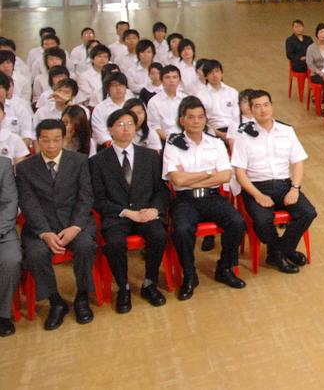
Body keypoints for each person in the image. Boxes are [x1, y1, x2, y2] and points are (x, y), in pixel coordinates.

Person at [16, 119, 98, 330]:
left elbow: (86, 197)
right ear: (37, 141)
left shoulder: (79, 161)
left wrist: (75, 227)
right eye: (45, 140)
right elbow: (28, 203)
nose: (51, 145)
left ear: (65, 139)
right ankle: (55, 301)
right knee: (35, 254)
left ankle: (82, 296)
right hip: (41, 227)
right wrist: (44, 232)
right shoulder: (25, 168)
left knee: (85, 246)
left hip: (75, 223)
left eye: (56, 140)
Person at [162, 97, 246, 300]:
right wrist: (209, 173)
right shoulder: (173, 144)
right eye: (191, 117)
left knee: (237, 222)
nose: (197, 121)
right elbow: (177, 181)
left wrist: (190, 178)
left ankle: (225, 268)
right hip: (185, 200)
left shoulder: (216, 143)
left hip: (213, 197)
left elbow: (225, 175)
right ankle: (189, 275)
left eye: (201, 117)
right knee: (182, 230)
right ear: (182, 120)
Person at [89, 108, 170, 313]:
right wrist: (126, 212)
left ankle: (149, 283)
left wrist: (155, 209)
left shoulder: (150, 156)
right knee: (114, 243)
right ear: (110, 130)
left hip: (146, 212)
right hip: (118, 215)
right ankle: (123, 287)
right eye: (120, 125)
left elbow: (161, 189)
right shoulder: (97, 161)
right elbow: (98, 199)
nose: (126, 129)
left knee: (159, 235)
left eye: (130, 124)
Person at [231, 90, 317, 274]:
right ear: (251, 110)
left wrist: (295, 188)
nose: (263, 110)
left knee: (308, 212)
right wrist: (257, 195)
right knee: (262, 221)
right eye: (257, 106)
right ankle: (284, 251)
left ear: (272, 106)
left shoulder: (286, 130)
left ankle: (278, 252)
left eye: (266, 105)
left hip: (284, 184)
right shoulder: (243, 135)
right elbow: (239, 172)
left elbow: (298, 161)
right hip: (256, 187)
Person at [197, 59, 239, 146]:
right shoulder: (200, 95)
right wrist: (220, 135)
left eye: (217, 71)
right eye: (211, 72)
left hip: (234, 131)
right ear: (205, 76)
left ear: (221, 73)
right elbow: (202, 122)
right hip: (213, 132)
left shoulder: (232, 92)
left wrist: (231, 135)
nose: (215, 75)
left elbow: (237, 117)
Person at [90, 71, 131, 149]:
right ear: (108, 89)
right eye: (114, 85)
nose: (118, 88)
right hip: (109, 147)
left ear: (126, 88)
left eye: (121, 85)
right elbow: (100, 131)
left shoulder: (133, 105)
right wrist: (115, 144)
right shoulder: (100, 108)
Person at [0, 153, 17, 337]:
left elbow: (9, 202)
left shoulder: (3, 164)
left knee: (11, 260)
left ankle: (4, 314)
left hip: (2, 230)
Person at [147, 65, 185, 144]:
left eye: (175, 77)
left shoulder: (185, 99)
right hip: (165, 140)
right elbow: (154, 127)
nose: (171, 80)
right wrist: (171, 140)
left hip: (186, 138)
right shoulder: (154, 101)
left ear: (179, 80)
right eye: (167, 77)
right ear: (161, 81)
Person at [305, 23, 324, 91]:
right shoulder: (311, 48)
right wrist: (319, 72)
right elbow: (310, 63)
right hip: (316, 73)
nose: (323, 34)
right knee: (323, 80)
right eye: (321, 32)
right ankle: (322, 97)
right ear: (317, 34)